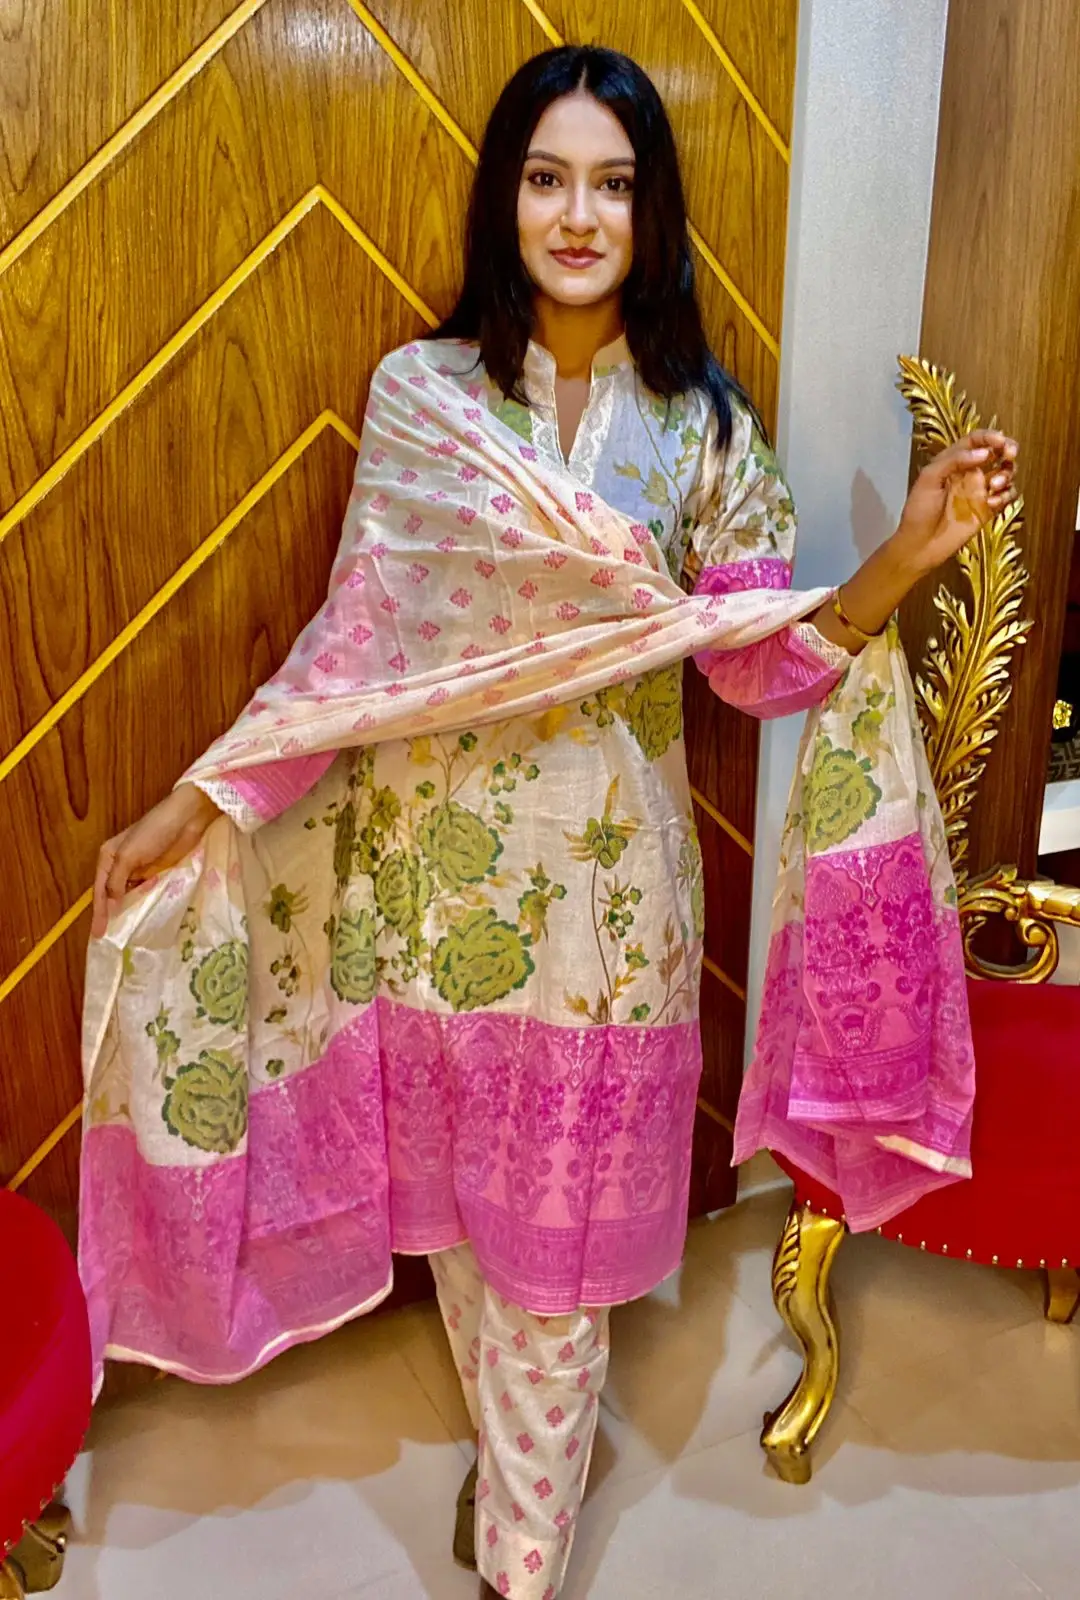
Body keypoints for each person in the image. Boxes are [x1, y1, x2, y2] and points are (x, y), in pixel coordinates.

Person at [81, 47, 1015, 1600]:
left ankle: (523, 1553)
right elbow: (355, 648)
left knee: (559, 1257)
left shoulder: (703, 429)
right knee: (471, 1219)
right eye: (547, 177)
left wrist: (904, 560)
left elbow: (755, 664)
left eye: (614, 184)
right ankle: (523, 1476)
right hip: (437, 894)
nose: (578, 215)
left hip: (605, 914)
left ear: (652, 214)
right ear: (503, 196)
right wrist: (207, 791)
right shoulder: (424, 399)